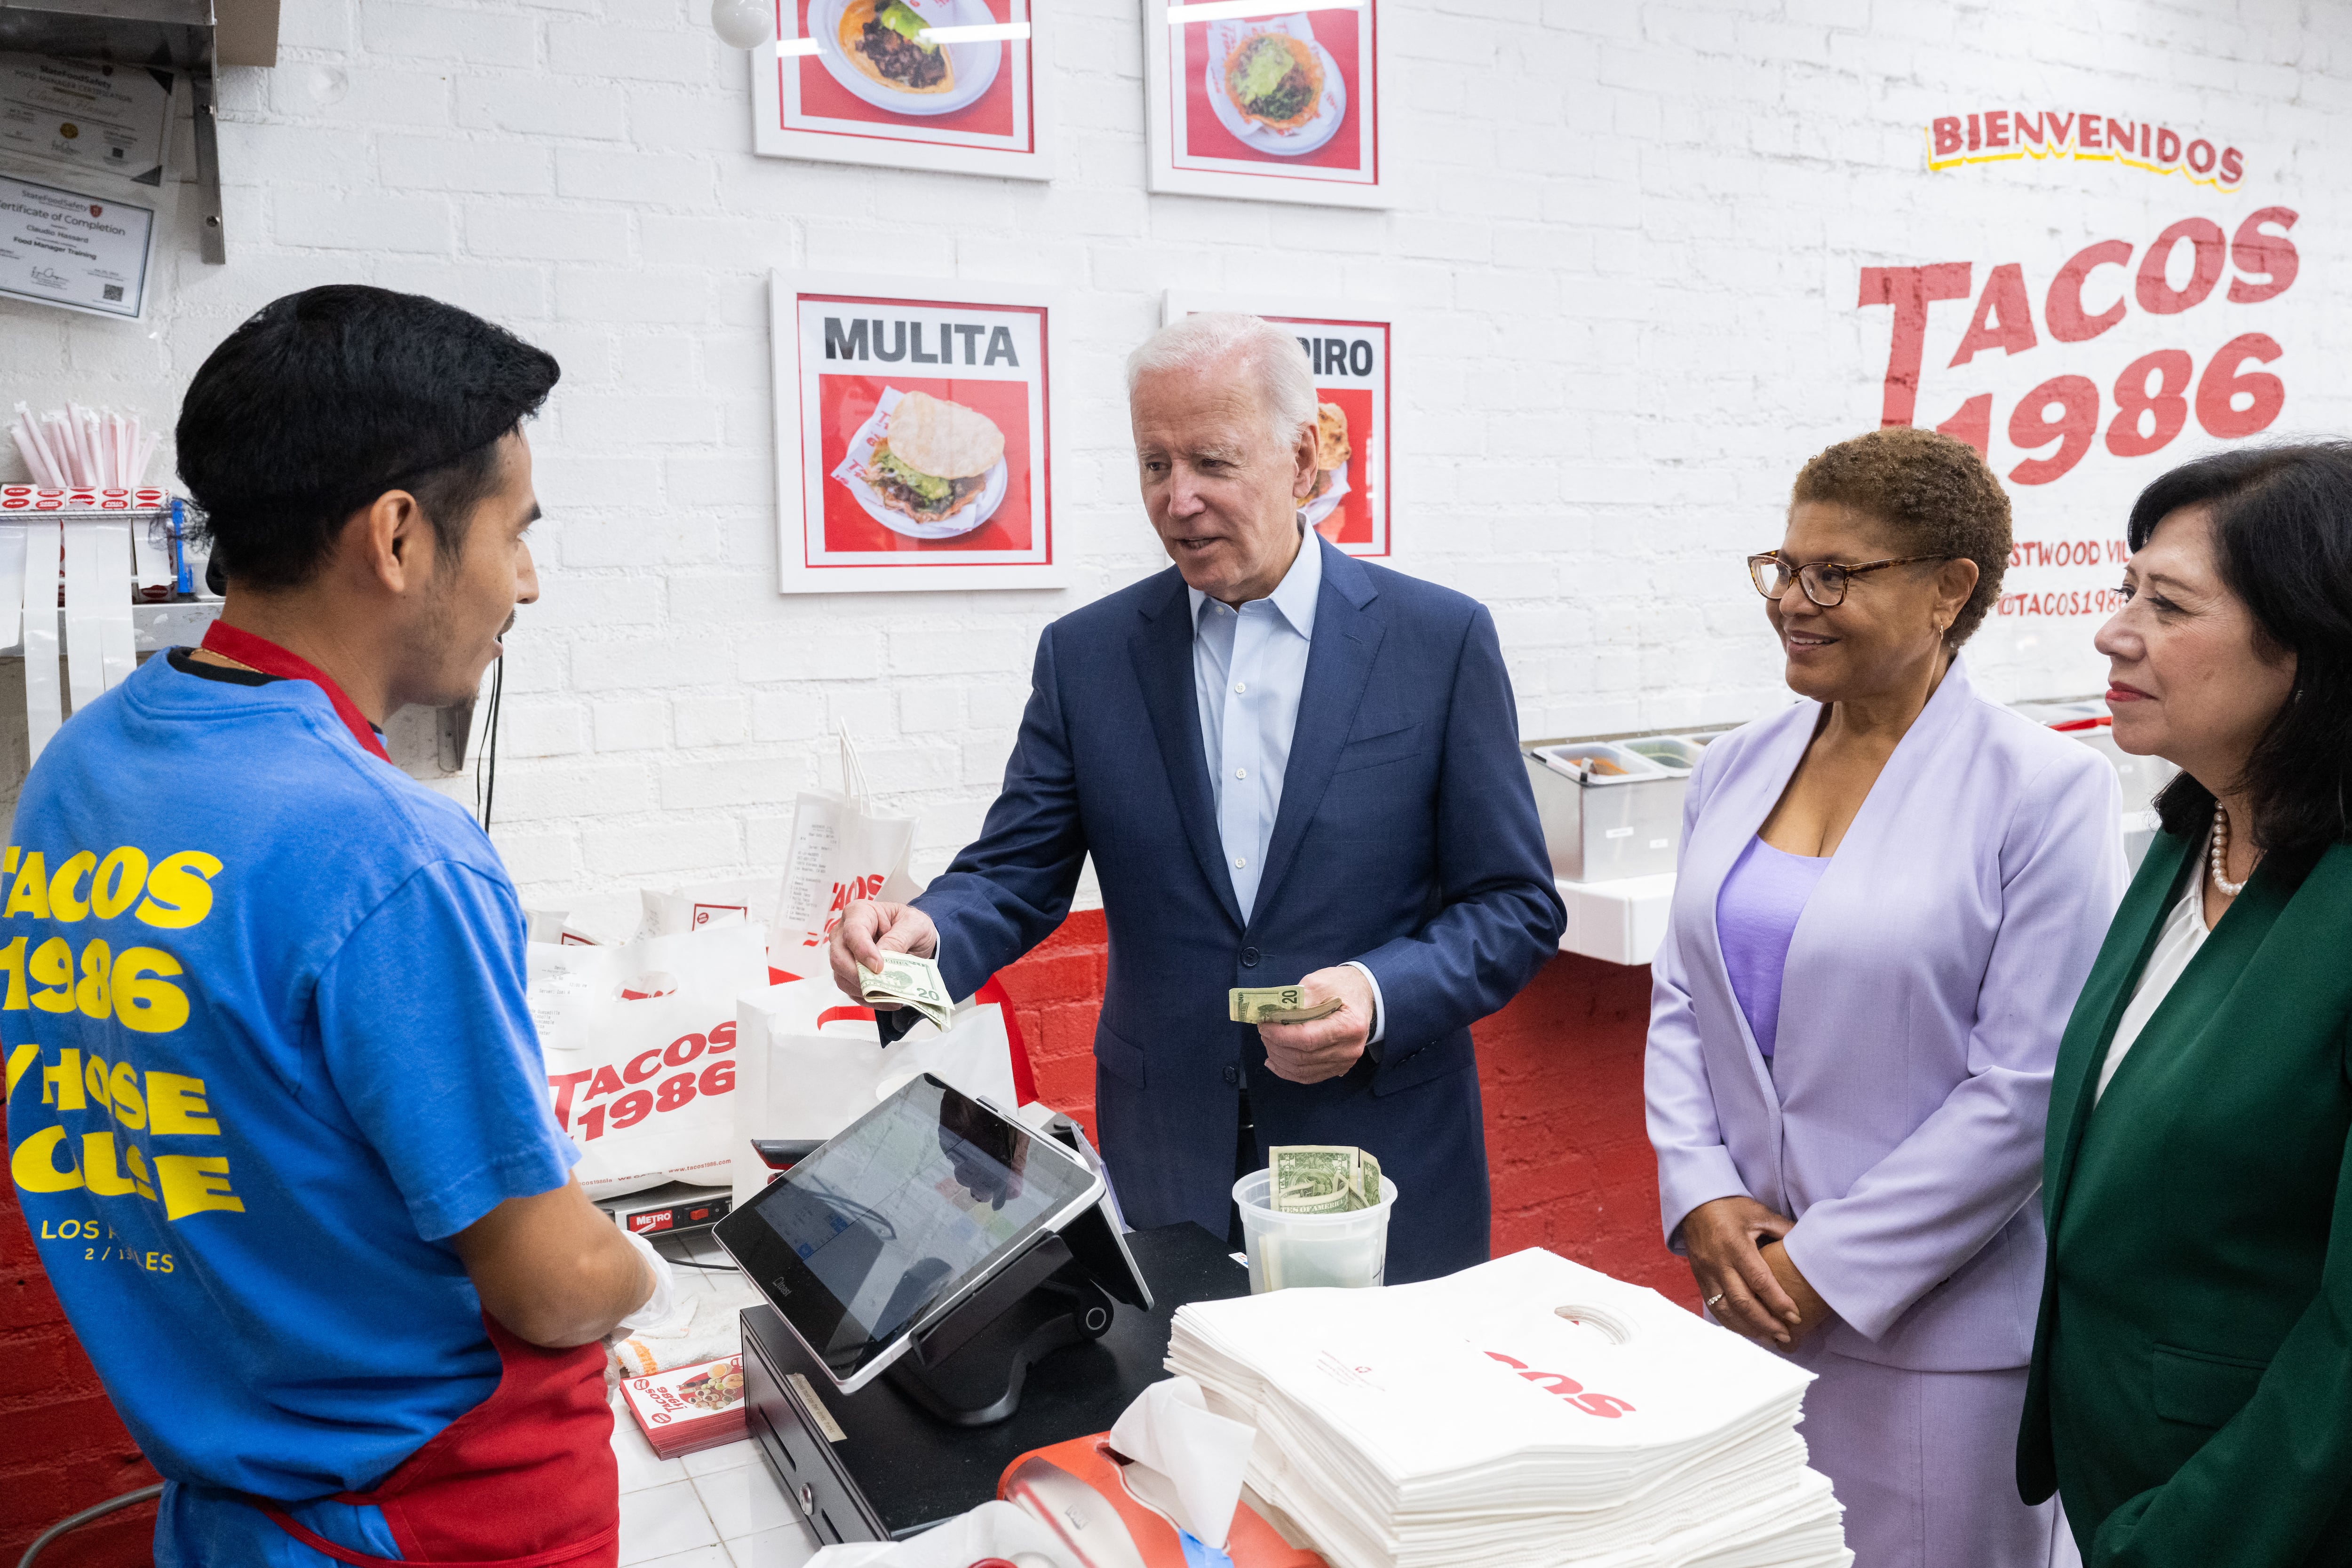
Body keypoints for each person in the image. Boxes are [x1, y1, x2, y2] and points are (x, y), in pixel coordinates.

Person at [3, 286, 670, 1568]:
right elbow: (553, 1282)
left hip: (234, 1504)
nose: (525, 582)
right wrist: (652, 1272)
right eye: (515, 534)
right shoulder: (392, 852)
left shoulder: (80, 773)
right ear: (400, 536)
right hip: (439, 1516)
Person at [827, 313, 1565, 1284]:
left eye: (1212, 462)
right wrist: (923, 938)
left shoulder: (1439, 642)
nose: (1178, 500)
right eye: (1154, 465)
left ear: (1302, 461)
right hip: (1171, 1158)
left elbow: (1515, 904)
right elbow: (1013, 873)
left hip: (1381, 1158)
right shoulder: (1088, 658)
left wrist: (1379, 992)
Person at [1645, 426, 2125, 1568]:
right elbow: (1682, 999)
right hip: (1746, 1297)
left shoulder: (2044, 791)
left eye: (1835, 575)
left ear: (1948, 589)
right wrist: (1700, 1192)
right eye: (1784, 567)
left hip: (1939, 1344)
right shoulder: (1733, 765)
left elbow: (2027, 1087)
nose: (1791, 602)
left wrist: (1828, 1266)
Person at [2019, 443, 2352, 1566]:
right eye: (2125, 590)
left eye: (2165, 604)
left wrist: (2180, 1538)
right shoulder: (2195, 829)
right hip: (2122, 1472)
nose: (2113, 632)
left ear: (2311, 642)